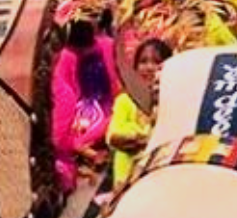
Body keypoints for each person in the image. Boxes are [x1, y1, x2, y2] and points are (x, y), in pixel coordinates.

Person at [51, 18, 120, 193]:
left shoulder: (107, 46)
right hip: (82, 103)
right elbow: (71, 89)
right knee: (81, 129)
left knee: (94, 125)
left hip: (104, 102)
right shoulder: (68, 57)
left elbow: (115, 80)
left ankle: (81, 147)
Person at [105, 38, 171, 186]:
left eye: (157, 62)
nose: (149, 67)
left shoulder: (173, 101)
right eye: (143, 62)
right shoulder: (125, 100)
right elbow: (113, 134)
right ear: (135, 68)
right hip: (125, 182)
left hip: (160, 178)